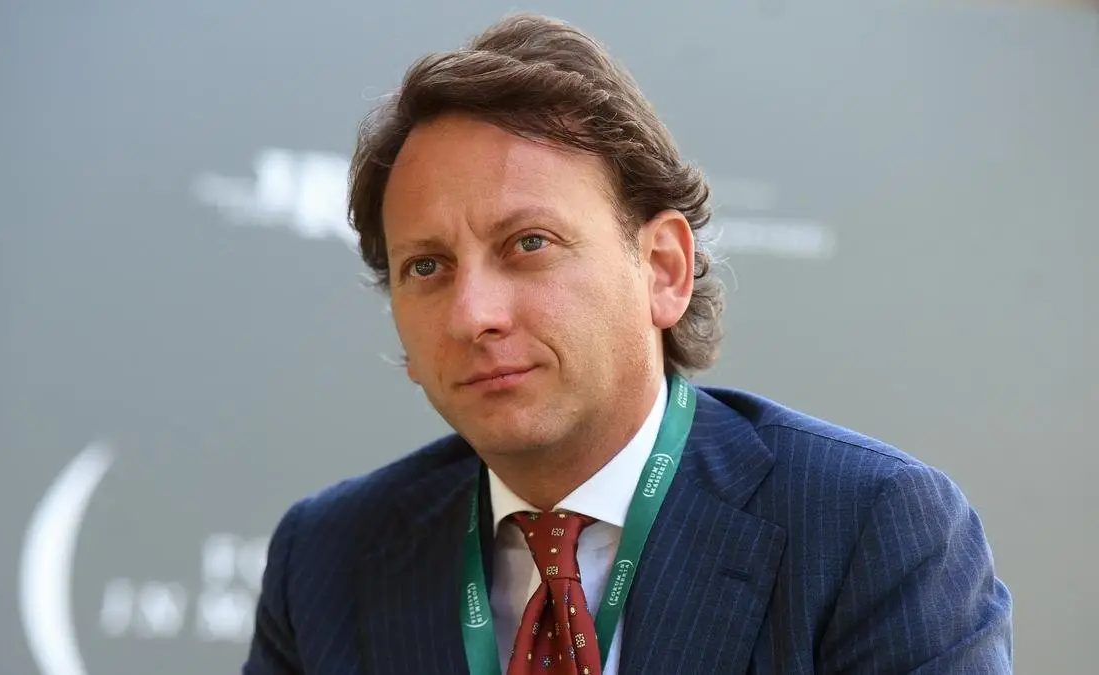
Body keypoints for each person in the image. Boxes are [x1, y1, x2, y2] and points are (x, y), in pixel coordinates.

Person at [243, 12, 1013, 675]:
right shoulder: (326, 560)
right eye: (427, 267)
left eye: (529, 243)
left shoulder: (870, 529)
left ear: (663, 269)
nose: (473, 314)